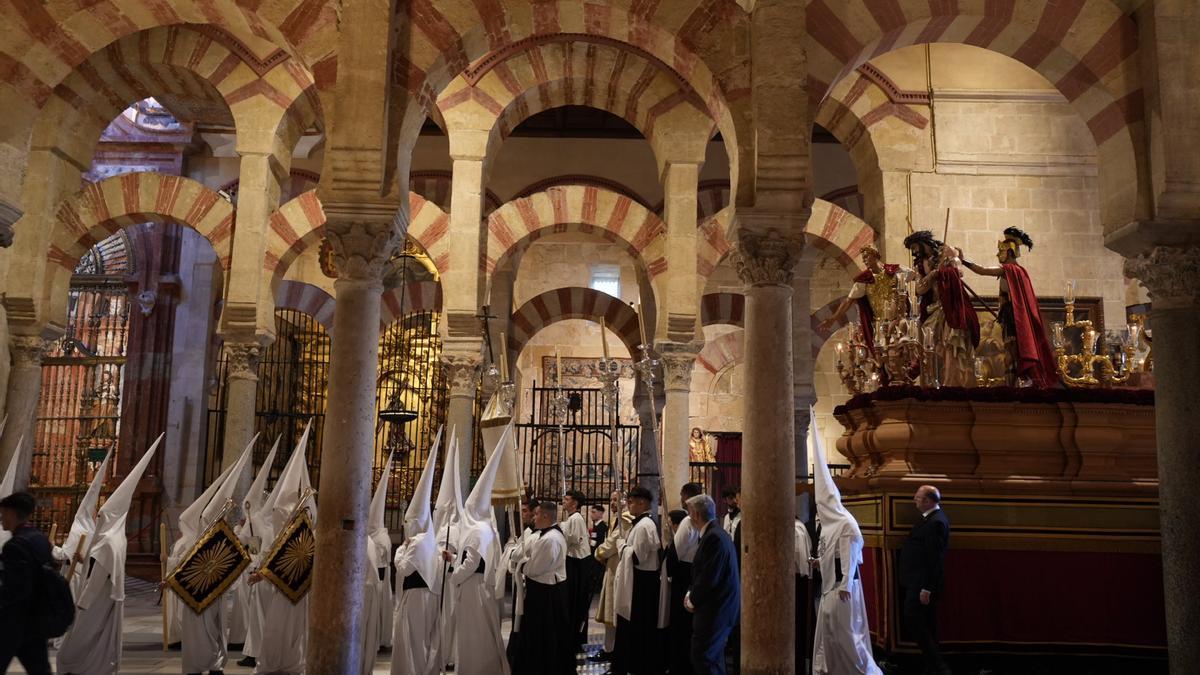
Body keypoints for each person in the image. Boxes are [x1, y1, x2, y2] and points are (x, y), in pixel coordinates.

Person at [59, 434, 163, 675]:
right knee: (99, 636)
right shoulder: (117, 538)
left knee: (77, 642)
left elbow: (97, 578)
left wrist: (82, 602)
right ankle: (95, 665)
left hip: (96, 600)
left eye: (103, 515)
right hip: (109, 598)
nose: (99, 518)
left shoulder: (107, 541)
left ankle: (79, 666)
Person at [808, 407, 880, 675]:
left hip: (842, 589)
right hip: (829, 588)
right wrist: (818, 561)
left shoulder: (846, 524)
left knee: (848, 637)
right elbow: (831, 553)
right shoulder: (828, 526)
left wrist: (845, 583)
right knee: (829, 635)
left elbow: (849, 555)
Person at [247, 423, 315, 675]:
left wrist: (262, 573)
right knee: (277, 630)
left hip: (293, 590)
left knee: (285, 631)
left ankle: (286, 664)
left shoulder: (299, 531)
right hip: (282, 590)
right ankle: (279, 663)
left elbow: (289, 558)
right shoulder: (285, 532)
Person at [447, 427, 512, 675]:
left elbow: (472, 563)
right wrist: (455, 559)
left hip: (473, 588)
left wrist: (454, 575)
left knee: (473, 632)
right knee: (482, 630)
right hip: (480, 586)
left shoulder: (476, 531)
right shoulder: (486, 529)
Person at [960, 227, 1058, 387]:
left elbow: (982, 271)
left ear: (1010, 252)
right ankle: (1014, 381)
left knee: (1012, 350)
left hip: (1014, 317)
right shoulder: (1019, 271)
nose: (998, 255)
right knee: (1010, 349)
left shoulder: (1010, 270)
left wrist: (963, 261)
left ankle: (1015, 382)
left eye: (1000, 251)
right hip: (1010, 315)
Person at [392, 430, 444, 675]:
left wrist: (400, 549)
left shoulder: (417, 542)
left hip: (415, 598)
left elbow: (403, 568)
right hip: (429, 596)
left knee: (411, 640)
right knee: (423, 639)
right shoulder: (431, 539)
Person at [905, 230, 979, 387]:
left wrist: (949, 264)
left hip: (952, 305)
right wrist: (932, 274)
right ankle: (937, 379)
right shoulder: (920, 265)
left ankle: (954, 380)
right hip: (935, 307)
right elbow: (919, 289)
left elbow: (959, 272)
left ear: (923, 244)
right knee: (931, 339)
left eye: (915, 247)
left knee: (951, 342)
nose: (915, 252)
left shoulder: (945, 251)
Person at [508, 500, 574, 674]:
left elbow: (535, 568)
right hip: (544, 591)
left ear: (545, 516)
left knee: (545, 635)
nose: (534, 518)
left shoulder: (550, 539)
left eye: (536, 514)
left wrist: (522, 565)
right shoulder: (545, 535)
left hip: (546, 593)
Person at [683, 493, 739, 675]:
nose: (689, 516)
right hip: (718, 607)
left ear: (697, 514)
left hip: (716, 609)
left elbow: (710, 576)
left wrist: (693, 600)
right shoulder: (714, 533)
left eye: (690, 512)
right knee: (712, 658)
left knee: (703, 656)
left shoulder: (713, 537)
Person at [818, 245, 912, 353]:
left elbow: (915, 275)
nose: (864, 260)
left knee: (907, 352)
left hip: (900, 321)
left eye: (866, 256)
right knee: (885, 356)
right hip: (881, 326)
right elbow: (848, 301)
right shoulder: (864, 281)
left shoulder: (895, 271)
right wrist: (833, 319)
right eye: (863, 258)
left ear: (875, 254)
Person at [899, 485, 951, 675]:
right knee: (926, 625)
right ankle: (932, 666)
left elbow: (934, 559)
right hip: (916, 582)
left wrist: (927, 588)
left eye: (918, 497)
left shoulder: (936, 523)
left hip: (922, 584)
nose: (914, 499)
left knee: (916, 622)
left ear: (928, 501)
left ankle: (939, 666)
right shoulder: (928, 519)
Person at [0, 491, 54, 675]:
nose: (1, 517)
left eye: (4, 512)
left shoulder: (14, 546)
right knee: (40, 670)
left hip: (13, 622)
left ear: (12, 514)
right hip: (36, 619)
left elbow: (16, 589)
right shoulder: (40, 539)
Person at [612, 485, 663, 675]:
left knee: (639, 626)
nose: (628, 505)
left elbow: (636, 557)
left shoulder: (644, 526)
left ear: (642, 502)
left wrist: (621, 545)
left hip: (642, 583)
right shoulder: (641, 524)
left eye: (631, 502)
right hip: (638, 580)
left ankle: (637, 665)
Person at [665, 482, 704, 675]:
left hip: (684, 575)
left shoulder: (688, 522)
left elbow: (676, 552)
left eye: (682, 495)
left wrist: (669, 573)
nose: (680, 499)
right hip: (694, 573)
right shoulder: (702, 520)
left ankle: (679, 665)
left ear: (687, 497)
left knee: (680, 624)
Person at [591, 491, 629, 663]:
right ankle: (609, 648)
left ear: (625, 501)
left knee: (614, 610)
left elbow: (612, 543)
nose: (612, 503)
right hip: (611, 567)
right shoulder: (616, 519)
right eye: (611, 500)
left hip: (617, 567)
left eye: (616, 499)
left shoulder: (625, 519)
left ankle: (612, 649)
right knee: (609, 610)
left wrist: (599, 553)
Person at [560, 489, 591, 651]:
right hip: (573, 561)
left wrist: (560, 530)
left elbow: (571, 539)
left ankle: (575, 638)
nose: (563, 501)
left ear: (575, 503)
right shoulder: (572, 519)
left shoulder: (576, 518)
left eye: (566, 499)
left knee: (576, 601)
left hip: (577, 563)